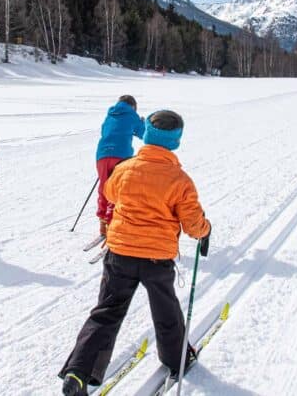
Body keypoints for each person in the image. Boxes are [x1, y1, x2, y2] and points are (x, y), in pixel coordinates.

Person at [60, 110, 211, 395]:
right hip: (157, 258)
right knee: (166, 312)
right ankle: (177, 361)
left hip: (120, 254)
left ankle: (78, 372)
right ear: (176, 141)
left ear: (147, 136)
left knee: (106, 311)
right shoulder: (180, 179)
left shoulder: (125, 169)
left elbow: (112, 193)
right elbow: (193, 223)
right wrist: (205, 231)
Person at [95, 95, 145, 237]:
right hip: (121, 155)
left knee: (104, 188)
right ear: (133, 106)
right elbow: (143, 134)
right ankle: (112, 224)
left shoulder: (109, 115)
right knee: (116, 189)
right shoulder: (132, 114)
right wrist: (142, 122)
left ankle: (102, 223)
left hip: (102, 155)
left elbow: (105, 131)